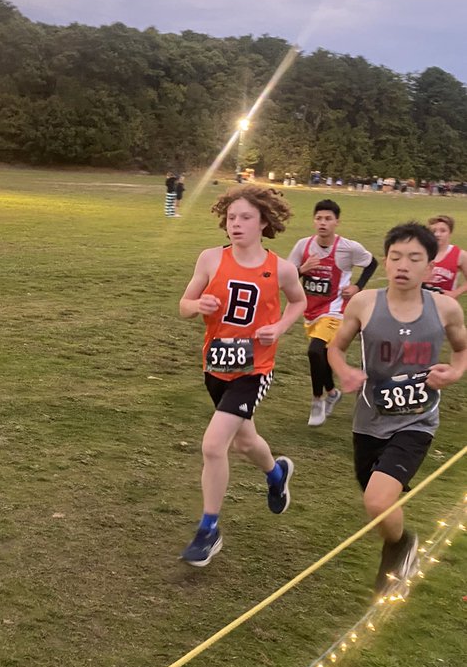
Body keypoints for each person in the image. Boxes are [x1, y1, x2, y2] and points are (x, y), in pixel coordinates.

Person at [327, 222, 467, 593]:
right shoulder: (364, 304)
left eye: (414, 258)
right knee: (376, 503)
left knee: (377, 501)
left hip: (416, 422)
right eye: (395, 257)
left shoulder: (446, 309)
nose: (403, 265)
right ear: (386, 262)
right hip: (368, 419)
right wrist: (345, 372)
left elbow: (461, 350)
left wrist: (451, 374)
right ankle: (401, 541)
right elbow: (335, 347)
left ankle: (398, 548)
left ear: (431, 268)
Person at [178, 188, 306, 566]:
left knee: (215, 445)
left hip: (254, 369)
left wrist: (280, 327)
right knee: (245, 442)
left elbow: (298, 301)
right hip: (215, 366)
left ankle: (209, 530)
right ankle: (277, 472)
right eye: (232, 217)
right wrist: (197, 304)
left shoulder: (280, 268)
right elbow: (184, 306)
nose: (236, 224)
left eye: (245, 217)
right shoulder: (210, 259)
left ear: (263, 222)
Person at [287, 199, 377, 426]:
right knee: (323, 355)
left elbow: (372, 262)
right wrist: (301, 269)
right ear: (313, 220)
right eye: (319, 218)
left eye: (328, 219)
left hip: (336, 310)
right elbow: (286, 277)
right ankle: (332, 392)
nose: (323, 223)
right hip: (311, 310)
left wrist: (358, 286)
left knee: (315, 351)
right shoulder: (303, 246)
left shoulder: (348, 248)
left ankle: (317, 400)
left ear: (337, 222)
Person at [425, 215, 467, 298]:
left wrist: (455, 293)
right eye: (433, 231)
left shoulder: (459, 255)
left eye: (443, 231)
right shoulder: (421, 253)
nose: (437, 234)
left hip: (446, 305)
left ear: (450, 233)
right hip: (423, 303)